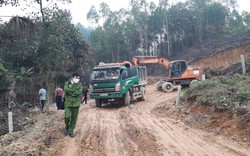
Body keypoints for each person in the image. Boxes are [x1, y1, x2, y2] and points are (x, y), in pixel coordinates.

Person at [64, 73, 83, 138]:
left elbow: (79, 92)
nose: (77, 79)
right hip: (68, 103)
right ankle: (67, 126)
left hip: (76, 104)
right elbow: (66, 89)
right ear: (72, 77)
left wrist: (70, 92)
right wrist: (74, 92)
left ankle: (71, 131)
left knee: (74, 119)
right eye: (76, 77)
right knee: (67, 116)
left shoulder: (80, 85)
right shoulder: (67, 83)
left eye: (78, 78)